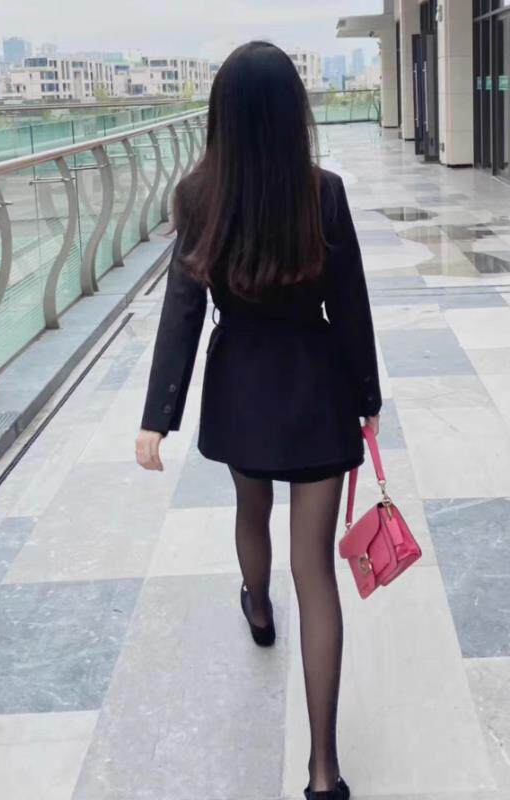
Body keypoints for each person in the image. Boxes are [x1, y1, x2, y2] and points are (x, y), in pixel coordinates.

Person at [135, 40, 381, 800]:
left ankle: (258, 607)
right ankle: (323, 773)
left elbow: (182, 310)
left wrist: (157, 417)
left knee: (251, 508)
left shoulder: (197, 198)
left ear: (223, 117)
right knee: (317, 570)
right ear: (291, 113)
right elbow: (351, 307)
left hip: (241, 392)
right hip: (317, 391)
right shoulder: (324, 193)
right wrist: (368, 399)